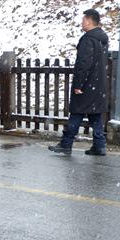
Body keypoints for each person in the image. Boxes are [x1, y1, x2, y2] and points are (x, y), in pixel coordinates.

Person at [49, 9, 109, 155]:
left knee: (76, 113)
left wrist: (78, 85)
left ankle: (66, 144)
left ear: (89, 20)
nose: (82, 23)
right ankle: (99, 145)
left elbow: (84, 63)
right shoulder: (102, 38)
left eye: (83, 20)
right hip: (98, 84)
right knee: (95, 116)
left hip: (87, 85)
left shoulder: (88, 39)